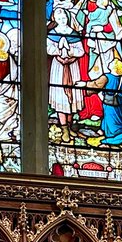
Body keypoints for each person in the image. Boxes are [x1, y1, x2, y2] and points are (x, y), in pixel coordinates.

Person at [47, 8, 86, 142]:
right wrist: (59, 49)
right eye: (59, 18)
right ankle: (64, 128)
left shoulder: (73, 33)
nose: (62, 20)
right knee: (61, 97)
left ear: (68, 18)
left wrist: (69, 50)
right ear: (55, 19)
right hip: (58, 68)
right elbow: (48, 48)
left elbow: (81, 51)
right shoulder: (52, 33)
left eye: (64, 17)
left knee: (73, 98)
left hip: (72, 67)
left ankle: (69, 127)